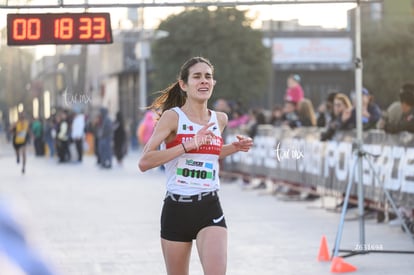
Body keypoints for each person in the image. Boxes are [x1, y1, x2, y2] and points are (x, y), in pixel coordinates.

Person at [138, 56, 253, 275]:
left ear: (213, 83)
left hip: (209, 205)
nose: (204, 81)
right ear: (184, 84)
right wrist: (187, 145)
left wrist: (234, 148)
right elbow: (145, 162)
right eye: (197, 77)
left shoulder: (220, 119)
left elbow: (209, 153)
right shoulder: (173, 117)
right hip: (177, 209)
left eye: (208, 77)